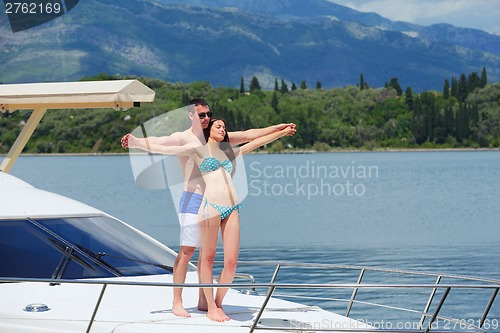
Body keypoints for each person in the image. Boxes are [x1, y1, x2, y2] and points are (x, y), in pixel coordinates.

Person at [121, 99, 296, 317]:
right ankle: (177, 301)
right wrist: (136, 141)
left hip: (221, 204)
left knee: (208, 255)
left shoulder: (218, 139)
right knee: (187, 252)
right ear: (191, 115)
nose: (206, 118)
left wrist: (278, 128)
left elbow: (251, 135)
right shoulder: (186, 138)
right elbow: (162, 143)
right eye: (202, 115)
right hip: (194, 199)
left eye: (208, 114)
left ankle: (206, 302)